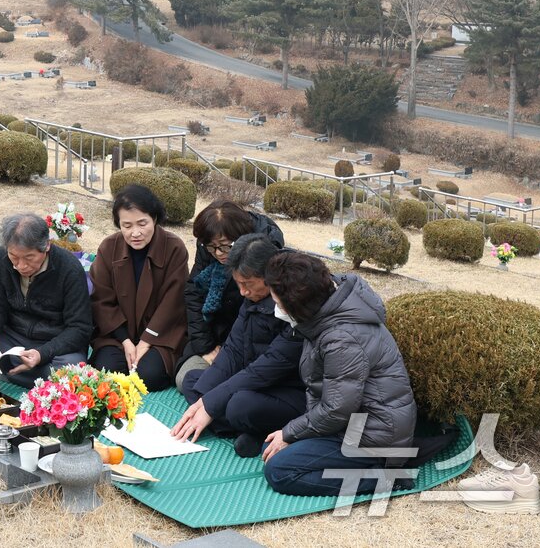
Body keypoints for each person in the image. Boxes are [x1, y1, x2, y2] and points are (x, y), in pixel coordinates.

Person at [259, 253, 418, 497]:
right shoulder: (328, 313)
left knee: (280, 471)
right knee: (272, 448)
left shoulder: (342, 339)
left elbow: (336, 410)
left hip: (373, 437)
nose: (276, 309)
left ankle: (387, 478)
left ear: (298, 305)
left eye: (279, 304)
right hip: (351, 424)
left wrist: (290, 433)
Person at [171, 235, 306, 454]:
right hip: (254, 380)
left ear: (269, 277)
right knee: (195, 382)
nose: (243, 292)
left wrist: (210, 404)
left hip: (289, 390)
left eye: (248, 285)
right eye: (238, 284)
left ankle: (260, 430)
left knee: (238, 405)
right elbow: (233, 349)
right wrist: (205, 399)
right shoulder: (252, 298)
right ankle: (251, 430)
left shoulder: (292, 305)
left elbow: (266, 369)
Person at [88, 184, 190, 391]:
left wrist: (146, 342)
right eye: (127, 226)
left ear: (154, 218)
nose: (135, 233)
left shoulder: (174, 248)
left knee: (148, 376)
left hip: (160, 335)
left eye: (142, 223)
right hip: (118, 334)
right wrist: (125, 340)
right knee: (109, 372)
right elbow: (101, 300)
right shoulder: (109, 247)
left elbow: (173, 302)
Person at [176, 202, 285, 390]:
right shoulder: (208, 246)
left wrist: (227, 354)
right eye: (212, 247)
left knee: (226, 388)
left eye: (225, 247)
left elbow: (258, 316)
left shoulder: (264, 251)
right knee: (185, 379)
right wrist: (206, 347)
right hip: (215, 331)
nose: (218, 254)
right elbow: (193, 292)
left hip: (249, 343)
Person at [0, 213, 93, 387]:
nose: (21, 265)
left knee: (72, 369)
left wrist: (42, 354)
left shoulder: (69, 268)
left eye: (29, 258)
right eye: (14, 257)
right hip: (12, 338)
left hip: (53, 343)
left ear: (46, 246)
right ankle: (27, 376)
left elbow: (79, 328)